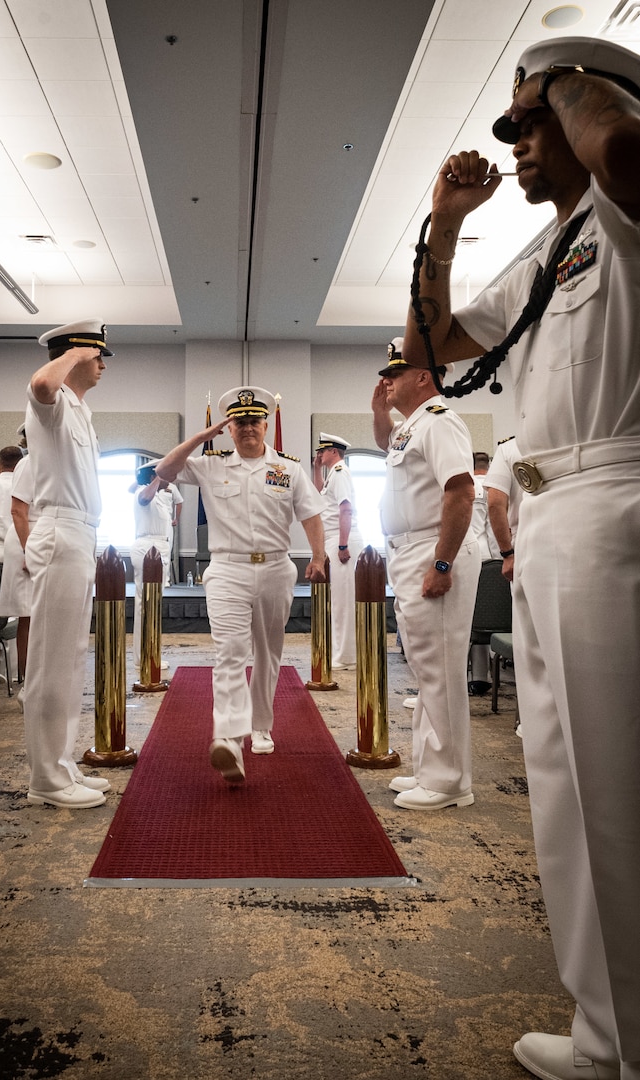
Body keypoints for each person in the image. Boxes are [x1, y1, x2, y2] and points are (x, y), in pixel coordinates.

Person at [400, 35, 640, 1080]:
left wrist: (565, 86)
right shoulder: (548, 250)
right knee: (564, 786)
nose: (520, 141)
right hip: (543, 517)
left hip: (613, 495)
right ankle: (606, 1030)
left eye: (533, 119)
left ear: (589, 103)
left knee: (618, 787)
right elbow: (429, 346)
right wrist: (446, 226)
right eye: (513, 125)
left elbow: (627, 154)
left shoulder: (623, 207)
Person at [153, 386, 326, 784]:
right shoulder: (210, 466)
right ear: (229, 429)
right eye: (240, 422)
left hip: (276, 567)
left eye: (254, 421)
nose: (248, 428)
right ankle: (229, 737)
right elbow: (163, 471)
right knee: (230, 650)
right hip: (227, 569)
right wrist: (200, 438)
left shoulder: (288, 469)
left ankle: (260, 724)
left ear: (266, 425)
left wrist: (317, 556)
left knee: (268, 651)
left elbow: (311, 514)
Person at [372, 339, 480, 811]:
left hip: (432, 548)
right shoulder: (410, 427)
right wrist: (380, 410)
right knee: (425, 665)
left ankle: (451, 781)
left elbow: (460, 491)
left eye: (397, 372)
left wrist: (442, 562)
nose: (387, 379)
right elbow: (387, 445)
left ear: (424, 376)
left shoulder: (440, 421)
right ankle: (431, 768)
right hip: (409, 550)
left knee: (441, 670)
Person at [22, 319, 114, 809]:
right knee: (51, 661)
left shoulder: (80, 410)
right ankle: (46, 779)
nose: (102, 365)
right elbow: (40, 383)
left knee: (72, 657)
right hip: (60, 533)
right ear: (77, 355)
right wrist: (74, 354)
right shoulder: (51, 401)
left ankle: (62, 764)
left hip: (81, 534)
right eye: (97, 356)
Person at [312, 432, 363, 669]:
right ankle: (342, 653)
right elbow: (321, 499)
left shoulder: (341, 473)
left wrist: (342, 545)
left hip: (343, 540)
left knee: (344, 601)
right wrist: (316, 471)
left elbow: (345, 509)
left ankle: (347, 657)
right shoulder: (332, 475)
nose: (319, 454)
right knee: (337, 600)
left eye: (322, 451)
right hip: (334, 539)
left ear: (334, 452)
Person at [0, 431, 36, 694]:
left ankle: (37, 680)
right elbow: (17, 510)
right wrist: (29, 551)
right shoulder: (27, 464)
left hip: (39, 538)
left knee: (39, 615)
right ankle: (26, 682)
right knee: (27, 614)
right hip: (26, 539)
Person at [129, 463, 178, 671]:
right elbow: (143, 499)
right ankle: (146, 655)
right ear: (153, 475)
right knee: (147, 604)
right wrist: (159, 477)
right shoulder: (144, 491)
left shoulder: (162, 495)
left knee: (152, 604)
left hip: (159, 546)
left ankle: (148, 653)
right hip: (149, 547)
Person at [468, 450, 500, 696]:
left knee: (470, 621)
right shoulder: (494, 487)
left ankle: (470, 676)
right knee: (490, 618)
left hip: (468, 557)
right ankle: (484, 676)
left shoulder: (467, 485)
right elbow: (494, 531)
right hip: (491, 559)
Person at [484, 436, 523, 584]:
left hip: (523, 541)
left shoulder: (509, 448)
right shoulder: (570, 442)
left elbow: (495, 503)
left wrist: (507, 553)